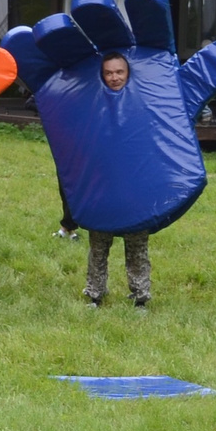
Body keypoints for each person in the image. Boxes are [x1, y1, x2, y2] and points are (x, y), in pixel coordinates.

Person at [81, 53, 154, 309]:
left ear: (128, 73)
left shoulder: (141, 103)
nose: (114, 77)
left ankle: (140, 297)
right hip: (102, 187)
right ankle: (95, 294)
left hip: (135, 189)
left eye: (119, 72)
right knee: (98, 245)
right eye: (109, 73)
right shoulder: (95, 104)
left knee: (137, 246)